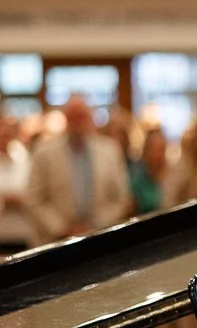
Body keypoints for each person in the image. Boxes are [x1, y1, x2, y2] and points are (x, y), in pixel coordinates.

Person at [25, 94, 131, 243]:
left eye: (82, 116)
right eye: (73, 117)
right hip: (55, 241)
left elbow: (121, 199)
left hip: (100, 238)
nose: (78, 122)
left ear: (90, 117)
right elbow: (34, 199)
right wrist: (62, 228)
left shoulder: (110, 151)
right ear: (66, 119)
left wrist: (95, 226)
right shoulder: (44, 152)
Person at [0, 117, 31, 253]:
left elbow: (34, 192)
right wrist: (3, 201)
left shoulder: (24, 159)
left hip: (22, 232)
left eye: (7, 132)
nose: (4, 135)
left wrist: (21, 200)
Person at [129, 128, 169, 215]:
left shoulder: (172, 176)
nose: (159, 155)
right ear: (147, 150)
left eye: (162, 149)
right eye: (156, 150)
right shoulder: (137, 178)